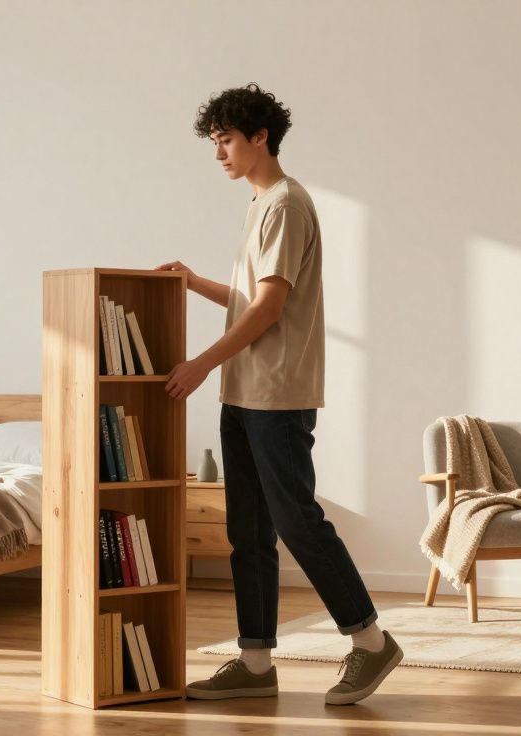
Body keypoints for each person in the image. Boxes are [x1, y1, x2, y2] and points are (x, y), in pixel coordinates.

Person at [156, 83, 402, 706]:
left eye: (226, 141)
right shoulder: (261, 204)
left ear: (259, 136)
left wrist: (202, 364)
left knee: (297, 521)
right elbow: (250, 298)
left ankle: (372, 642)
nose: (219, 154)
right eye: (215, 143)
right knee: (249, 531)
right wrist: (193, 282)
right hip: (244, 394)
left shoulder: (286, 204)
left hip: (276, 395)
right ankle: (256, 661)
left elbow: (269, 310)